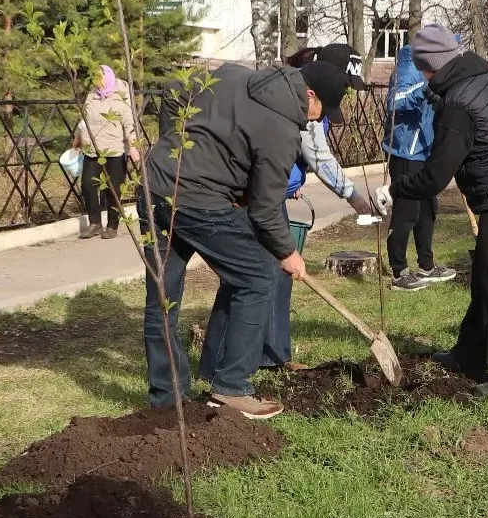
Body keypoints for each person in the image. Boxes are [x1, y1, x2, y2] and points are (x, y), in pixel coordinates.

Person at [141, 59, 353, 419]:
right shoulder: (283, 131)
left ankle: (166, 398)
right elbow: (265, 211)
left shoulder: (234, 74)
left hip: (155, 185)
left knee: (164, 298)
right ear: (309, 94)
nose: (319, 119)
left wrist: (174, 145)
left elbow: (174, 90)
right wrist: (288, 253)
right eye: (322, 110)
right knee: (257, 277)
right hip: (199, 201)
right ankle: (231, 387)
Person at [385, 24, 488, 396]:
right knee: (487, 276)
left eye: (424, 69)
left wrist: (395, 189)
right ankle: (470, 353)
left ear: (432, 66)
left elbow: (436, 176)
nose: (423, 75)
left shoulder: (459, 104)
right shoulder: (487, 73)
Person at [206, 44, 377, 377]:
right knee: (247, 278)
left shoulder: (313, 93)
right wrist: (353, 195)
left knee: (279, 276)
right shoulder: (301, 97)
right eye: (345, 82)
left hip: (271, 196)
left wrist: (291, 177)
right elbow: (316, 152)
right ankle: (219, 366)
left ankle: (272, 354)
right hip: (249, 197)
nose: (345, 92)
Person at [383, 43, 456, 291]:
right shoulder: (408, 67)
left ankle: (427, 265)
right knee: (407, 213)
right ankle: (399, 272)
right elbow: (394, 102)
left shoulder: (433, 71)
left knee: (427, 211)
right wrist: (424, 91)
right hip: (405, 152)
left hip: (425, 153)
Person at [75, 64, 134, 239]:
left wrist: (133, 146)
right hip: (92, 149)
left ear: (107, 78)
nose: (97, 82)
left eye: (99, 78)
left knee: (113, 189)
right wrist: (77, 137)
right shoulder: (92, 94)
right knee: (87, 185)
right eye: (94, 78)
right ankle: (95, 223)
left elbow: (129, 122)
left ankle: (112, 225)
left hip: (115, 149)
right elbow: (84, 117)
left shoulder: (121, 95)